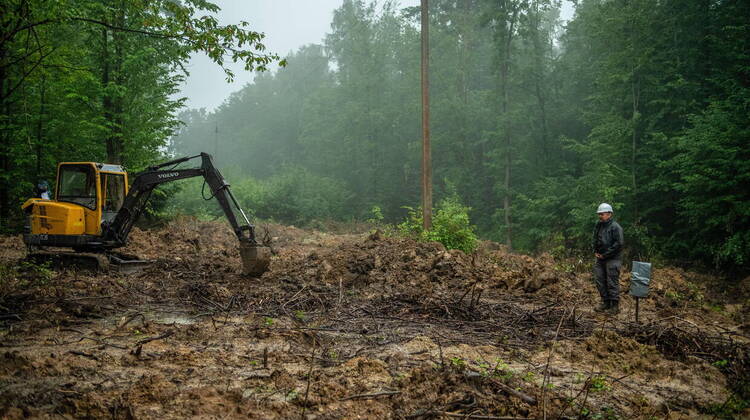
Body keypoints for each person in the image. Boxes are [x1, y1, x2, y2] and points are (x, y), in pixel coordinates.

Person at [592, 203, 624, 314]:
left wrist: (605, 254)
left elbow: (619, 244)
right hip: (600, 258)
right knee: (600, 280)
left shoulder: (615, 227)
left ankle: (614, 306)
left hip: (613, 258)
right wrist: (595, 251)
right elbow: (595, 238)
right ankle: (605, 302)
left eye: (602, 214)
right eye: (599, 214)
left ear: (609, 214)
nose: (600, 216)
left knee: (612, 281)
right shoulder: (599, 225)